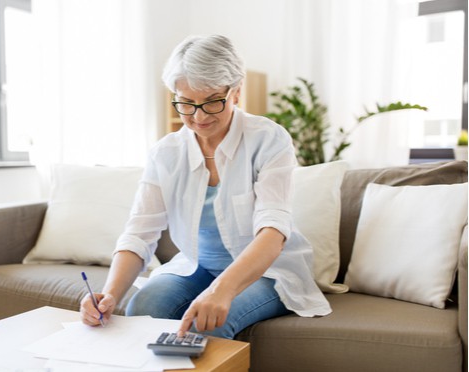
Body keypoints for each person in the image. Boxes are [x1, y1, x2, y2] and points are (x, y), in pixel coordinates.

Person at [81, 34, 331, 339]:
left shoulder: (268, 139)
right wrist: (108, 295)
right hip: (196, 267)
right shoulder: (166, 153)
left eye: (212, 102)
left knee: (208, 324)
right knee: (142, 307)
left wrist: (221, 290)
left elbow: (273, 231)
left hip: (267, 272)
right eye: (186, 103)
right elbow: (139, 232)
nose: (198, 117)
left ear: (236, 92)